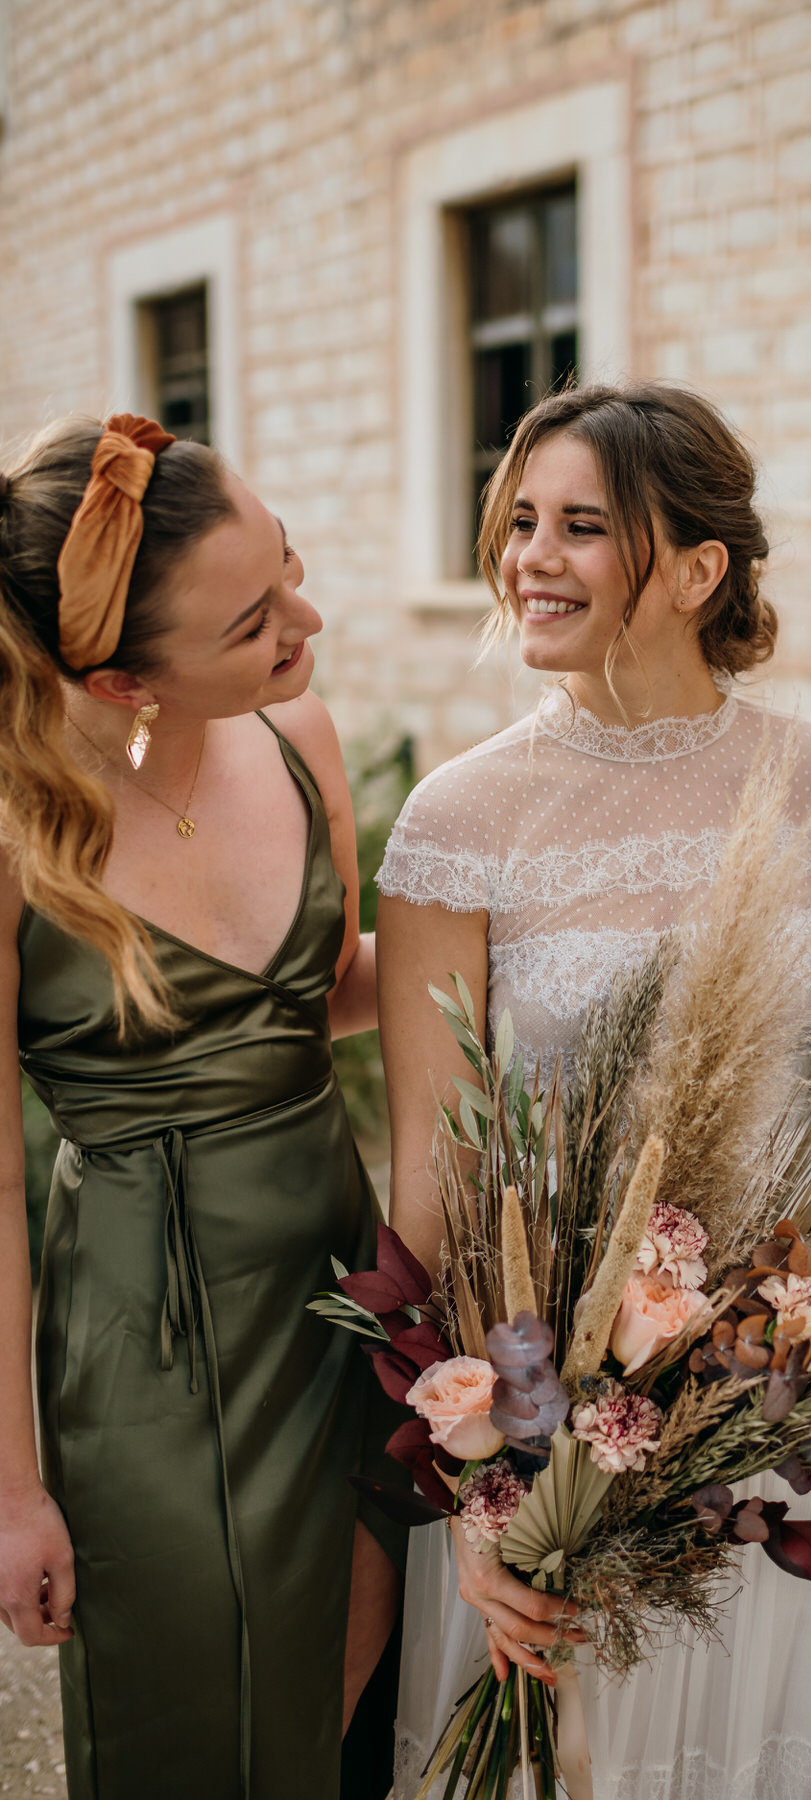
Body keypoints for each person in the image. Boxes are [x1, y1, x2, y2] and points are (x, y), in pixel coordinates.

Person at [376, 381, 811, 1800]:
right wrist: (470, 1482)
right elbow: (430, 1174)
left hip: (778, 1380)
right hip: (547, 1397)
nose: (530, 555)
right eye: (522, 519)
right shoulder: (459, 819)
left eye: (582, 527)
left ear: (696, 568)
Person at [0, 414, 403, 1800]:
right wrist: (11, 1489)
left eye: (287, 567)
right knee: (195, 1721)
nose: (309, 619)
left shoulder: (301, 733)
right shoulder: (16, 831)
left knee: (363, 1675)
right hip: (156, 1346)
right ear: (122, 678)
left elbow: (329, 992)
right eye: (256, 621)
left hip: (354, 1290)